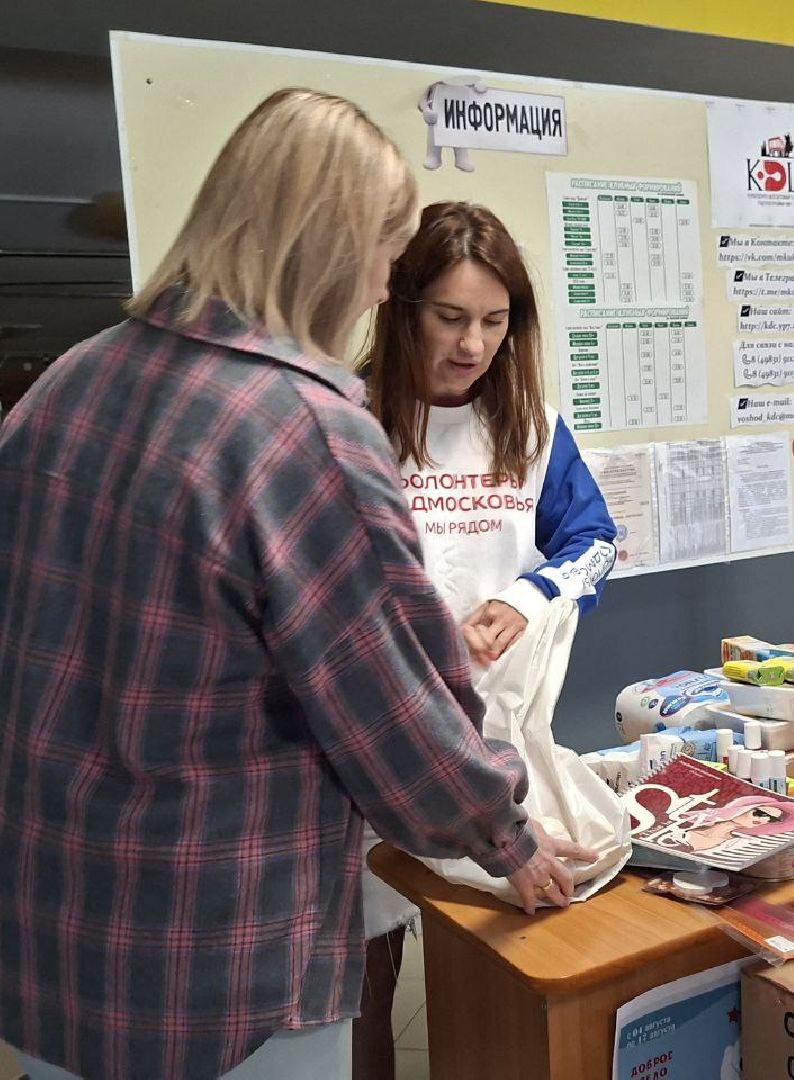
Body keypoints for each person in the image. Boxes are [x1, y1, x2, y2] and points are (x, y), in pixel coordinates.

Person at [0, 89, 591, 1080]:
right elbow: (398, 720)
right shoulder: (303, 431)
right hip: (219, 970)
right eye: (381, 259)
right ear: (328, 246)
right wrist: (507, 837)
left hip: (50, 943)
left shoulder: (65, 383)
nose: (374, 290)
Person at [357, 201, 617, 1079]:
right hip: (375, 737)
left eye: (495, 323)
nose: (473, 345)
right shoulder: (349, 423)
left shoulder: (532, 429)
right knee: (366, 970)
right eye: (451, 318)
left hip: (491, 741)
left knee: (507, 951)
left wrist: (527, 594)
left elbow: (595, 542)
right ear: (403, 312)